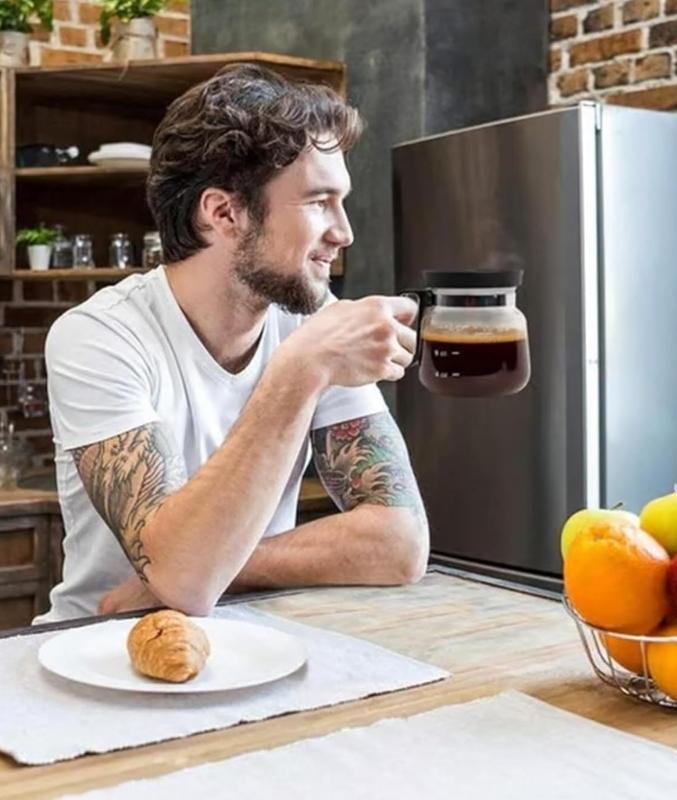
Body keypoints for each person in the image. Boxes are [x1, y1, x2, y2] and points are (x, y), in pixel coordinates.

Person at [35, 63, 428, 623]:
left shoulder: (315, 325)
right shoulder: (100, 336)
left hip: (254, 643)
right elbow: (186, 579)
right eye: (319, 201)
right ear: (224, 213)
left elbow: (401, 542)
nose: (344, 232)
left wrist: (205, 568)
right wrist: (301, 370)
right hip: (96, 653)